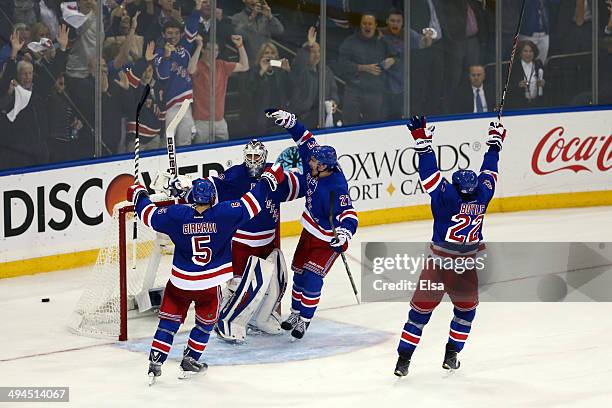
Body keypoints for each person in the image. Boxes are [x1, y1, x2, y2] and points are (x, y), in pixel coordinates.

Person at [128, 164, 286, 384]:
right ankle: (191, 359)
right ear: (213, 199)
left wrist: (139, 194)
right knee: (204, 324)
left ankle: (156, 362)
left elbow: (149, 215)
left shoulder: (177, 214)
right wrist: (269, 177)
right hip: (208, 285)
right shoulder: (224, 214)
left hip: (180, 283)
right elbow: (254, 201)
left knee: (168, 323)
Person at [393, 115, 505, 377]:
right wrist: (494, 143)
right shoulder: (484, 193)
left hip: (438, 265)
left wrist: (423, 142)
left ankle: (403, 361)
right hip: (466, 268)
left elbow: (429, 174)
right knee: (466, 312)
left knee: (418, 314)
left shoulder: (447, 196)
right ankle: (451, 355)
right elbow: (490, 170)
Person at [265, 109, 359, 339]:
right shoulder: (313, 161)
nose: (311, 162)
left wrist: (344, 235)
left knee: (313, 276)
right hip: (309, 231)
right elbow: (304, 137)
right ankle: (295, 312)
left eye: (316, 162)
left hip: (327, 238)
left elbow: (350, 215)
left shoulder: (337, 186)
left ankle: (305, 318)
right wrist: (288, 120)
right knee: (298, 272)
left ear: (326, 167)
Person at [154, 0, 203, 146]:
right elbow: (163, 75)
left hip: (186, 104)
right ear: (163, 34)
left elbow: (192, 29)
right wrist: (167, 57)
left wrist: (198, 8)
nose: (173, 36)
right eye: (169, 33)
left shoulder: (185, 48)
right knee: (167, 144)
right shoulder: (159, 53)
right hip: (169, 106)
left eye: (176, 33)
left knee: (185, 142)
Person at [189, 34, 249, 144]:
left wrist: (240, 45)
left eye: (216, 50)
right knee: (200, 153)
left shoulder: (222, 65)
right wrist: (198, 46)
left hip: (219, 120)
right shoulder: (198, 65)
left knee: (224, 151)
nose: (213, 52)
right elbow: (191, 70)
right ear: (203, 50)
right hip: (201, 121)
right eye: (209, 49)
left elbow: (244, 66)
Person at [338, 13, 397, 125]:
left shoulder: (383, 43)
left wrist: (393, 60)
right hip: (354, 91)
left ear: (375, 25)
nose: (367, 26)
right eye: (364, 23)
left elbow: (398, 57)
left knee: (373, 126)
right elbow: (342, 64)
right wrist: (362, 68)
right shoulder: (350, 42)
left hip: (375, 93)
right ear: (360, 25)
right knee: (349, 125)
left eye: (370, 24)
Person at [287, 27, 339, 129]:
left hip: (321, 116)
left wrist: (333, 101)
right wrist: (309, 46)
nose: (316, 55)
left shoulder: (326, 71)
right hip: (302, 117)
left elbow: (333, 90)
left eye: (318, 51)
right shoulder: (300, 70)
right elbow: (298, 64)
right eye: (313, 52)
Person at [245, 42, 290, 135]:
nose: (270, 55)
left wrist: (288, 71)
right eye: (266, 53)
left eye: (272, 53)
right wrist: (261, 71)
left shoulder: (280, 71)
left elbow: (292, 91)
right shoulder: (255, 71)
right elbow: (250, 89)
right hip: (261, 119)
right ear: (261, 55)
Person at [507, 40, 546, 109]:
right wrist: (518, 85)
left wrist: (543, 83)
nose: (528, 54)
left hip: (537, 104)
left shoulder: (538, 64)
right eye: (525, 51)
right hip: (518, 105)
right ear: (520, 53)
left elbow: (549, 82)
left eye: (531, 51)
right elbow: (506, 87)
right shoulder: (513, 67)